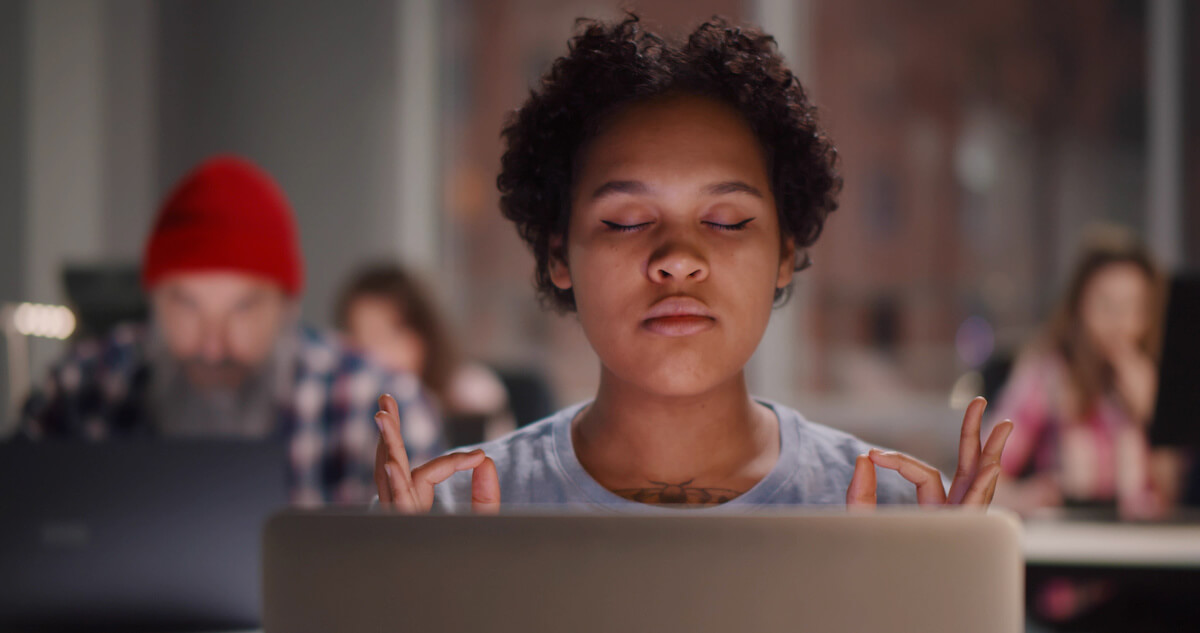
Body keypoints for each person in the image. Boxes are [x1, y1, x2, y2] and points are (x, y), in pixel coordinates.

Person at [372, 15, 1012, 513]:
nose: (678, 259)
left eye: (728, 221)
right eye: (625, 221)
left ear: (786, 254)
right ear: (558, 253)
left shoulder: (893, 514)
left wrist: (933, 598)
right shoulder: (448, 518)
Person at [22, 156, 442, 505]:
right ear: (153, 300)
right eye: (186, 305)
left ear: (286, 306)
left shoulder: (378, 409)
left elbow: (420, 576)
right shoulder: (81, 390)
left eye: (242, 308)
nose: (212, 343)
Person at [987, 230, 1185, 519]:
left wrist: (1153, 415)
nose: (1120, 322)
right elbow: (986, 472)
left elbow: (1173, 494)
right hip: (1076, 538)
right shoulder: (1048, 373)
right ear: (1080, 304)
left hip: (1141, 544)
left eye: (1133, 307)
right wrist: (1023, 496)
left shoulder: (1159, 377)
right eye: (1106, 305)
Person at [337, 264, 516, 445]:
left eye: (382, 336)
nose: (369, 354)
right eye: (357, 337)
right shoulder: (341, 408)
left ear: (422, 335)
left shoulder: (473, 393)